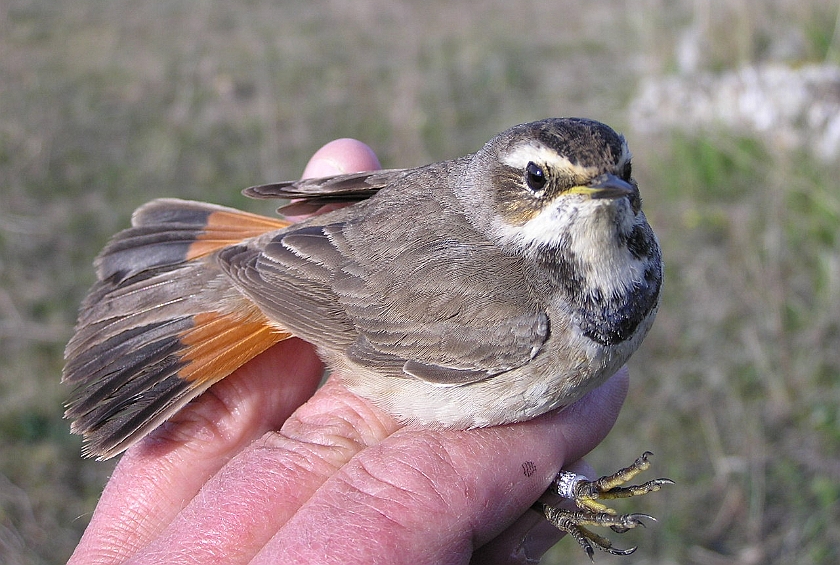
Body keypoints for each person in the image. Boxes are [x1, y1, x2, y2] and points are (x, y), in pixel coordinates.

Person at [67, 138, 630, 565]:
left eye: (619, 175)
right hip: (323, 285)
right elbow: (345, 295)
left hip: (349, 256)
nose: (600, 191)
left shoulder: (626, 265)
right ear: (503, 182)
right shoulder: (513, 312)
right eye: (539, 178)